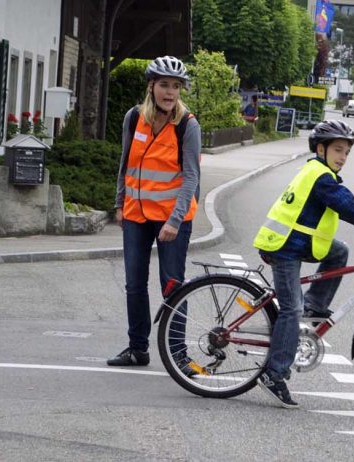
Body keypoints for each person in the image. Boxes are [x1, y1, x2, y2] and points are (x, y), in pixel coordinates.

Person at [252, 120, 354, 408]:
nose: (342, 157)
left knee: (339, 252)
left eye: (346, 152)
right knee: (290, 309)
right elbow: (350, 208)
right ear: (320, 149)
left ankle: (315, 306)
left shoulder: (318, 171)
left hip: (297, 241)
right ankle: (274, 373)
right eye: (337, 150)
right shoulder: (322, 177)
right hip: (284, 246)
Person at [107, 56, 201, 367]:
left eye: (175, 86)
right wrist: (119, 204)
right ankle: (137, 349)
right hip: (136, 214)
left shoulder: (187, 125)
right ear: (151, 86)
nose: (170, 92)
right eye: (164, 85)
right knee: (134, 284)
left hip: (172, 218)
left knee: (173, 286)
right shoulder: (134, 118)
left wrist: (174, 220)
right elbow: (126, 164)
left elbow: (191, 177)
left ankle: (178, 355)